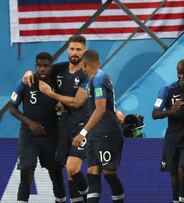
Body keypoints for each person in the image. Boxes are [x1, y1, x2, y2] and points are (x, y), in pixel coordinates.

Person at [24, 35, 89, 203]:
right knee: (67, 172)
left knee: (73, 168)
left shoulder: (87, 74)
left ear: (84, 51)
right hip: (62, 127)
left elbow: (77, 102)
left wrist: (53, 95)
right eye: (72, 49)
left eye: (78, 49)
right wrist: (28, 72)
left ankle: (90, 195)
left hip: (82, 126)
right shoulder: (59, 69)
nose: (75, 53)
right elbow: (41, 71)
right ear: (68, 50)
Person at [8, 52, 66, 203]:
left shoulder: (57, 82)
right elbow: (12, 108)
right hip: (29, 135)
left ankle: (60, 200)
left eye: (45, 66)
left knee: (56, 174)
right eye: (39, 65)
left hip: (51, 135)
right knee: (26, 171)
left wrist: (62, 106)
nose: (42, 69)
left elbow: (67, 103)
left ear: (51, 67)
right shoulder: (25, 81)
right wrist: (29, 123)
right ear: (35, 66)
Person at [72, 49, 125, 203]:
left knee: (109, 173)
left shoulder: (99, 78)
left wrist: (82, 132)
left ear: (84, 64)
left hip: (107, 133)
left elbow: (101, 109)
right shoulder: (93, 80)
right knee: (92, 172)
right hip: (96, 134)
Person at [152, 59, 184, 203]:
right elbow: (155, 114)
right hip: (172, 138)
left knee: (183, 171)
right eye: (179, 74)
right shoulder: (167, 89)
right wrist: (170, 111)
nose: (181, 77)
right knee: (174, 175)